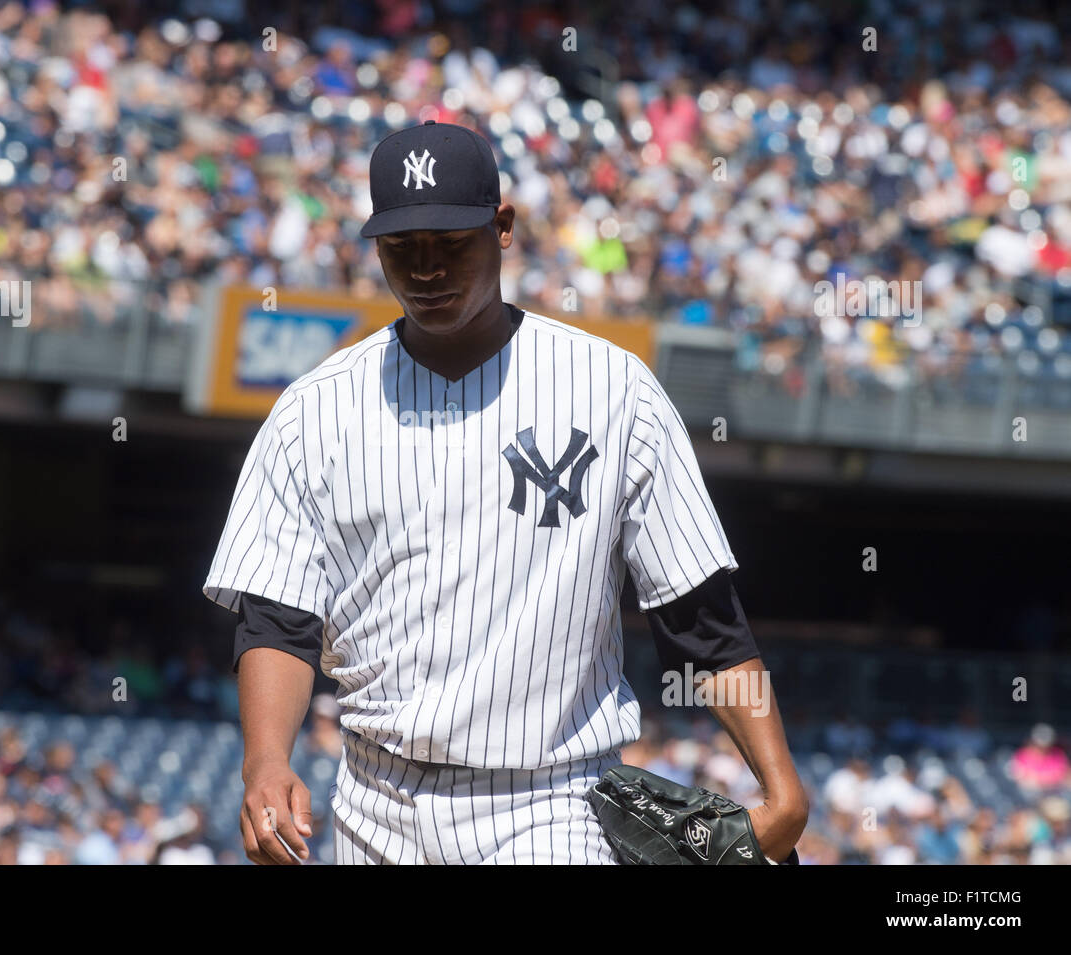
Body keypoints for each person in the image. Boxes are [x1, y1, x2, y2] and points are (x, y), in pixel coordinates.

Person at [204, 120, 808, 865]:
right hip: (372, 798)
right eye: (403, 249)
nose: (425, 269)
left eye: (449, 245)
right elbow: (277, 619)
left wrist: (781, 784)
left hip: (552, 800)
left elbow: (699, 617)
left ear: (503, 227)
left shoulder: (613, 390)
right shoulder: (313, 408)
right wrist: (265, 760)